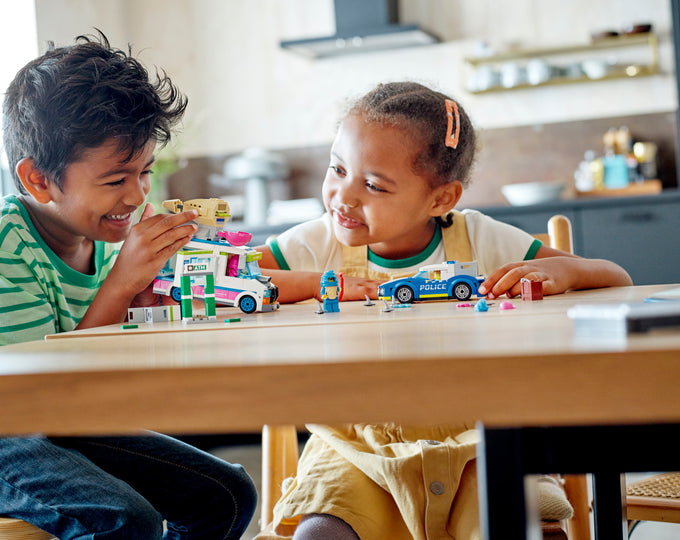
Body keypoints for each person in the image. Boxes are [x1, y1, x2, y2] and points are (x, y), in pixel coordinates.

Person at [254, 82, 632, 540]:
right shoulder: (313, 244)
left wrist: (565, 274)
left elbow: (615, 277)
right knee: (318, 533)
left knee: (505, 522)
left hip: (481, 438)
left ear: (440, 199)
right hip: (350, 447)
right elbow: (236, 282)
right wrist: (318, 284)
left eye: (373, 184)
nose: (344, 197)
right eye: (337, 169)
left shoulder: (481, 238)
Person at [0, 33, 256, 539]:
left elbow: (89, 379)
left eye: (145, 172)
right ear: (38, 180)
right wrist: (119, 288)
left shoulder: (101, 235)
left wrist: (142, 305)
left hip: (61, 421)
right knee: (124, 521)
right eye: (117, 179)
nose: (138, 195)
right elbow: (34, 395)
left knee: (225, 495)